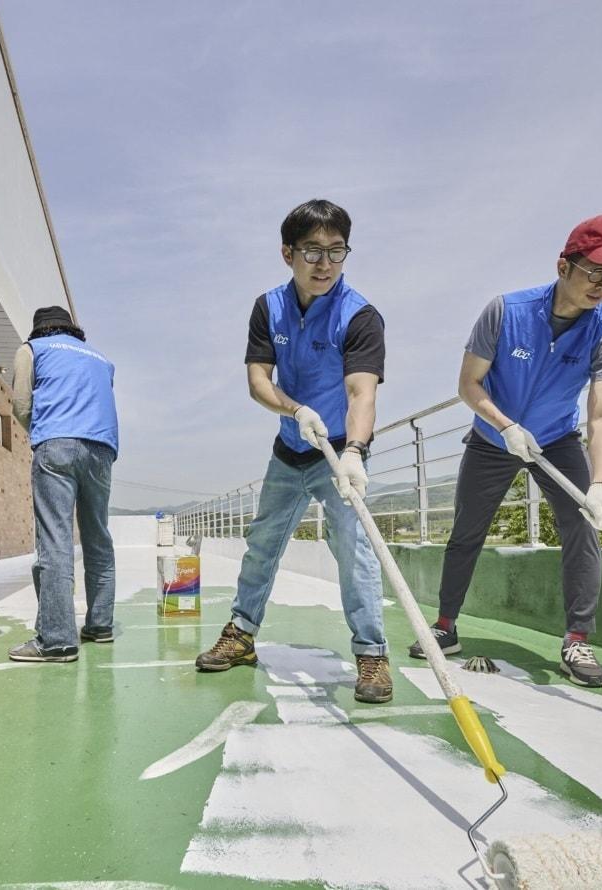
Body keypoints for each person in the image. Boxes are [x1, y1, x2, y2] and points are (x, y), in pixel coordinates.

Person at [409, 213, 602, 687]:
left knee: (583, 525)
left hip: (556, 439)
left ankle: (577, 640)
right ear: (564, 266)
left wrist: (600, 483)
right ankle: (446, 625)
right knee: (467, 531)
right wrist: (505, 426)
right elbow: (469, 384)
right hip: (492, 438)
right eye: (596, 272)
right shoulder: (506, 311)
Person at [195, 199, 392, 704]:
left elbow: (361, 393)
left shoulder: (360, 315)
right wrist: (295, 410)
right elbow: (258, 381)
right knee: (262, 543)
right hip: (290, 447)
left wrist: (356, 452)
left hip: (338, 453)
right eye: (312, 251)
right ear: (288, 253)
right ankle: (241, 634)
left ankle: (371, 653)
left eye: (337, 251)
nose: (325, 264)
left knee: (354, 550)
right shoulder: (269, 308)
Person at [9, 306, 119, 663]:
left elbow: (20, 404)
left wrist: (43, 434)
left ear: (39, 330)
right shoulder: (101, 359)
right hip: (101, 449)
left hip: (56, 444)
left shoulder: (32, 349)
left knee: (55, 541)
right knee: (98, 537)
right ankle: (100, 625)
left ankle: (57, 640)